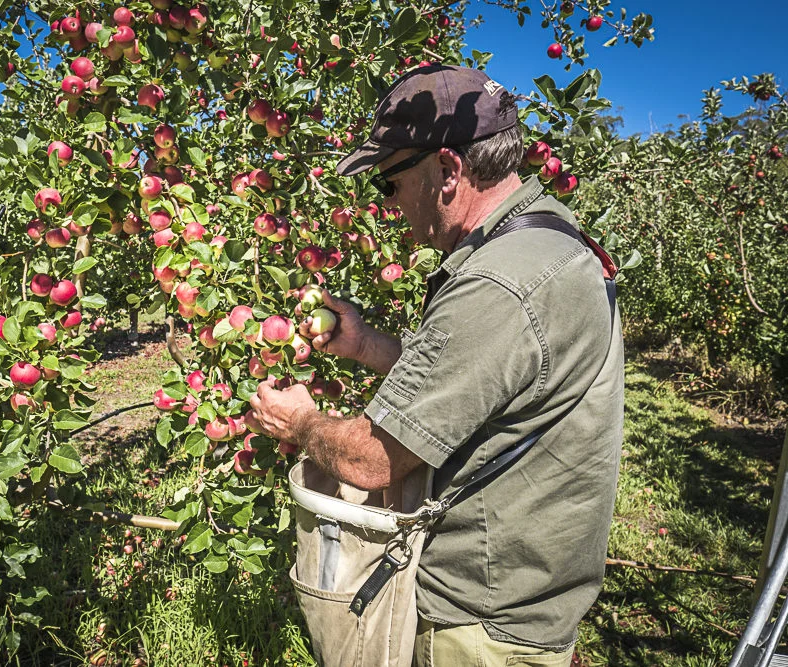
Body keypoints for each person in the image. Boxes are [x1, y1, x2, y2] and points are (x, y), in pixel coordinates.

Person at [248, 64, 624, 666]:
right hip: (530, 597)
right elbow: (487, 382)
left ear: (447, 170)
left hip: (481, 624)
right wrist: (367, 345)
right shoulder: (548, 241)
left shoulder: (497, 284)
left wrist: (300, 423)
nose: (388, 204)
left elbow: (372, 460)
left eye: (389, 183)